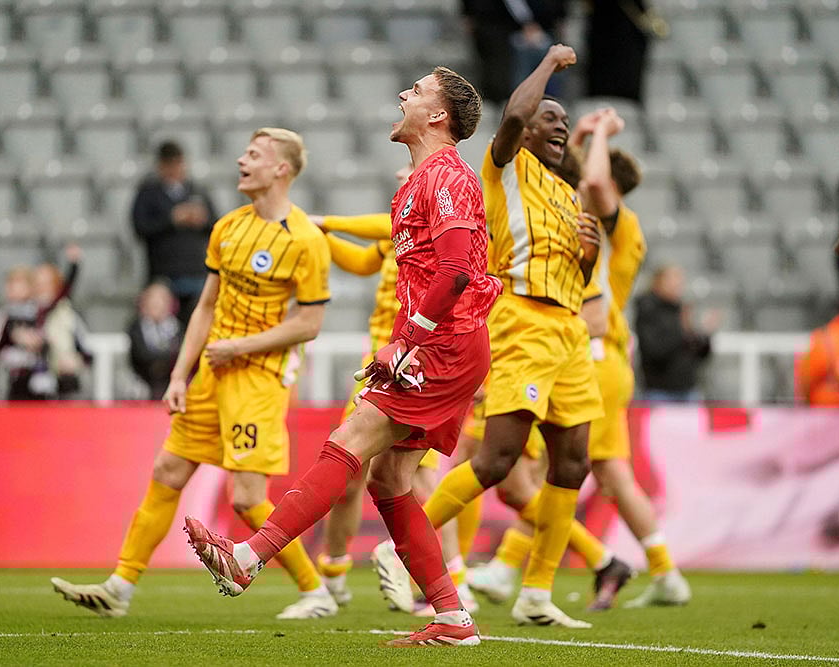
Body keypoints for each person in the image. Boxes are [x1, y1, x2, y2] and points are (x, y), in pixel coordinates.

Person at [184, 66, 502, 647]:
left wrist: (410, 338)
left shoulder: (449, 176)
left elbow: (459, 270)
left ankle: (248, 559)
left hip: (443, 341)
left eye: (418, 90)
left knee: (353, 437)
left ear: (438, 115)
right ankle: (454, 618)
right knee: (390, 479)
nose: (403, 92)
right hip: (443, 341)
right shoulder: (421, 180)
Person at [52, 128, 337, 621]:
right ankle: (120, 586)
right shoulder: (227, 226)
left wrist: (241, 346)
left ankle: (316, 592)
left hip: (258, 380)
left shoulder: (307, 242)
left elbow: (310, 322)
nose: (241, 160)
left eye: (254, 155)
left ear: (281, 170)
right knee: (167, 471)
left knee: (248, 499)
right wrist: (181, 374)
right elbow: (205, 306)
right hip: (210, 374)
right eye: (245, 152)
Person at [397, 44, 604, 629]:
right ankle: (405, 542)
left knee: (573, 464)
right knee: (497, 458)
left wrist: (588, 257)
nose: (559, 127)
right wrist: (548, 63)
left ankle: (537, 592)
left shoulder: (568, 197)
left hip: (567, 330)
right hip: (523, 321)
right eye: (550, 118)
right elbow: (512, 116)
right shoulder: (505, 165)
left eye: (565, 123)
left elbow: (574, 277)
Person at [307, 167, 479, 615]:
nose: (406, 182)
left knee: (419, 476)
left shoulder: (439, 222)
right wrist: (319, 237)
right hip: (386, 364)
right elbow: (363, 261)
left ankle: (450, 582)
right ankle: (336, 575)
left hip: (424, 360)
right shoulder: (403, 241)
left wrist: (326, 223)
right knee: (353, 474)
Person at [568, 107, 690, 608]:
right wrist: (578, 137)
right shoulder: (606, 226)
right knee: (613, 473)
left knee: (537, 469)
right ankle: (665, 572)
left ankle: (512, 569)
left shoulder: (620, 226)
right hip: (606, 357)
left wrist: (598, 132)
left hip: (594, 357)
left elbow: (593, 180)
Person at [132, 140, 218, 326]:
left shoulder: (197, 191)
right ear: (161, 166)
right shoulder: (149, 193)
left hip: (196, 272)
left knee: (197, 323)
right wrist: (171, 219)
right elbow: (140, 227)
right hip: (164, 273)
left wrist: (201, 220)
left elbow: (217, 226)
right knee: (165, 328)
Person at [0, 248, 81, 401]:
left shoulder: (38, 310)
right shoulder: (5, 314)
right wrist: (14, 337)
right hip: (15, 377)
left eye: (20, 284)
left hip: (39, 375)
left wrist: (74, 266)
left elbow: (62, 294)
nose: (15, 289)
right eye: (11, 285)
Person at [634, 265, 719, 402]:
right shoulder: (647, 308)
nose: (678, 284)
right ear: (658, 281)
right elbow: (653, 351)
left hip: (688, 391)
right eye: (673, 279)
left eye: (680, 280)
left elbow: (699, 354)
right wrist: (681, 330)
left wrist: (705, 335)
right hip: (659, 392)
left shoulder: (681, 309)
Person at [459, 0, 570, 105]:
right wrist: (526, 26)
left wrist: (536, 26)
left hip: (543, 29)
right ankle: (518, 102)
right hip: (503, 29)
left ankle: (550, 101)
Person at [32, 247, 90, 398]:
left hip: (65, 378)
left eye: (47, 283)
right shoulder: (27, 312)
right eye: (38, 283)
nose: (42, 288)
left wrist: (76, 361)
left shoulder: (65, 313)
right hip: (34, 381)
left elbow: (86, 353)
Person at [128, 282, 184, 400]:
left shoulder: (176, 327)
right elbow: (140, 354)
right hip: (143, 379)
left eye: (162, 300)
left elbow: (179, 353)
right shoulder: (136, 327)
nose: (157, 304)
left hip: (170, 379)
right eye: (153, 300)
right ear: (144, 303)